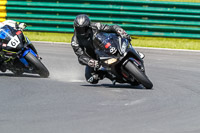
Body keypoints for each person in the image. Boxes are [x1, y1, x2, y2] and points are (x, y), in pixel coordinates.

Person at [71, 14, 143, 84]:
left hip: (107, 44)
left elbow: (111, 27)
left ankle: (134, 51)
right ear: (75, 28)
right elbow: (81, 56)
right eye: (79, 29)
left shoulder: (96, 26)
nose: (82, 32)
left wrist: (120, 31)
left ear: (89, 26)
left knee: (125, 39)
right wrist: (90, 61)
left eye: (84, 29)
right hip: (95, 57)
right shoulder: (75, 42)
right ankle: (107, 74)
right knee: (90, 79)